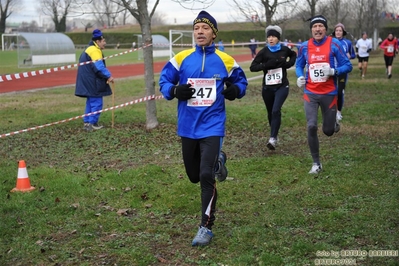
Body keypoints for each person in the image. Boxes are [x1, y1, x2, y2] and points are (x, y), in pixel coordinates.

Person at [159, 10, 248, 246]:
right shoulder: (181, 58)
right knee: (193, 176)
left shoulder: (225, 60)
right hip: (188, 126)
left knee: (206, 175)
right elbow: (164, 81)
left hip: (213, 125)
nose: (200, 31)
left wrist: (236, 90)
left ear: (213, 34)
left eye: (205, 28)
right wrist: (174, 91)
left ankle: (206, 227)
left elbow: (241, 81)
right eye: (196, 28)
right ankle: (218, 159)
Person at [296, 15, 352, 174]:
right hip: (310, 93)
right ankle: (316, 163)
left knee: (328, 131)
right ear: (311, 29)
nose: (318, 29)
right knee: (311, 126)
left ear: (326, 29)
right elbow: (299, 65)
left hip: (329, 92)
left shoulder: (334, 44)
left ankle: (333, 124)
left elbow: (347, 65)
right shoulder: (304, 46)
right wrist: (300, 76)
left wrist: (334, 71)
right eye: (315, 26)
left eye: (321, 26)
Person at [249, 25, 297, 150]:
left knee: (276, 110)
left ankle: (272, 138)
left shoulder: (284, 50)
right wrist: (265, 65)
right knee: (271, 113)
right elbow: (252, 67)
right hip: (268, 88)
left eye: (273, 36)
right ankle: (274, 133)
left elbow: (293, 55)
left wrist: (289, 64)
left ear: (278, 38)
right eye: (269, 36)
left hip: (282, 86)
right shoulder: (264, 52)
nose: (270, 39)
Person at [75, 29, 114, 131]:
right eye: (103, 41)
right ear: (98, 41)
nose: (105, 43)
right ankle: (92, 123)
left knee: (90, 102)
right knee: (96, 102)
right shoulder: (95, 50)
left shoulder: (89, 48)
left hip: (87, 80)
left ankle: (87, 122)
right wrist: (109, 76)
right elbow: (99, 66)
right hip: (92, 81)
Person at [331, 23, 356, 121]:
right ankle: (331, 111)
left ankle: (338, 112)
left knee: (340, 92)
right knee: (331, 92)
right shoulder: (331, 42)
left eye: (340, 30)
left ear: (343, 32)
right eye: (336, 30)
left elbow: (353, 55)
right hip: (331, 71)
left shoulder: (347, 43)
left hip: (342, 71)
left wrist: (350, 56)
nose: (338, 32)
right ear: (334, 32)